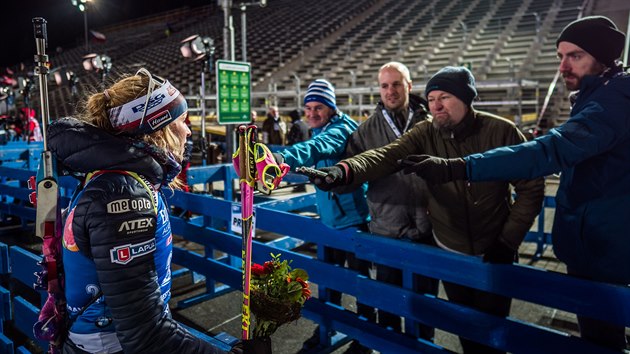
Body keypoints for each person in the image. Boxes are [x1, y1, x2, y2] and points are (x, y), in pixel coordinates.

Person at [405, 16, 629, 351]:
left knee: (601, 337)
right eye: (560, 56)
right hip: (594, 243)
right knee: (598, 334)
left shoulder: (613, 102)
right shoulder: (599, 95)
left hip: (605, 248)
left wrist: (462, 167)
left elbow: (549, 151)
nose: (563, 66)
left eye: (575, 56)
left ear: (604, 58)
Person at [312, 66, 545, 354]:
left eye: (444, 97)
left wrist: (508, 240)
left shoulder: (501, 131)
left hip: (492, 248)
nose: (435, 105)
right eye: (432, 98)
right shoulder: (425, 131)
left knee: (493, 332)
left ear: (465, 97)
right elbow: (386, 155)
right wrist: (343, 171)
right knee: (463, 328)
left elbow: (531, 186)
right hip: (449, 247)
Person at [47, 69, 269, 354]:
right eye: (181, 121)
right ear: (158, 128)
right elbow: (147, 337)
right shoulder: (122, 194)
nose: (188, 130)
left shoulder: (117, 179)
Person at [272, 79, 371, 353]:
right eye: (308, 108)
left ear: (331, 108)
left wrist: (280, 157)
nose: (312, 113)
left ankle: (365, 336)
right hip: (329, 221)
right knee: (329, 281)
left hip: (354, 220)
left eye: (319, 107)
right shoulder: (321, 129)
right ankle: (329, 324)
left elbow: (318, 149)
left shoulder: (341, 129)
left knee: (361, 283)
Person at [344, 62, 437, 340]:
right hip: (387, 228)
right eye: (384, 86)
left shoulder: (431, 123)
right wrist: (333, 179)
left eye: (396, 84)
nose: (390, 91)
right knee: (388, 305)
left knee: (424, 305)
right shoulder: (367, 130)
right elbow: (351, 170)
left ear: (409, 86)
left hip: (428, 228)